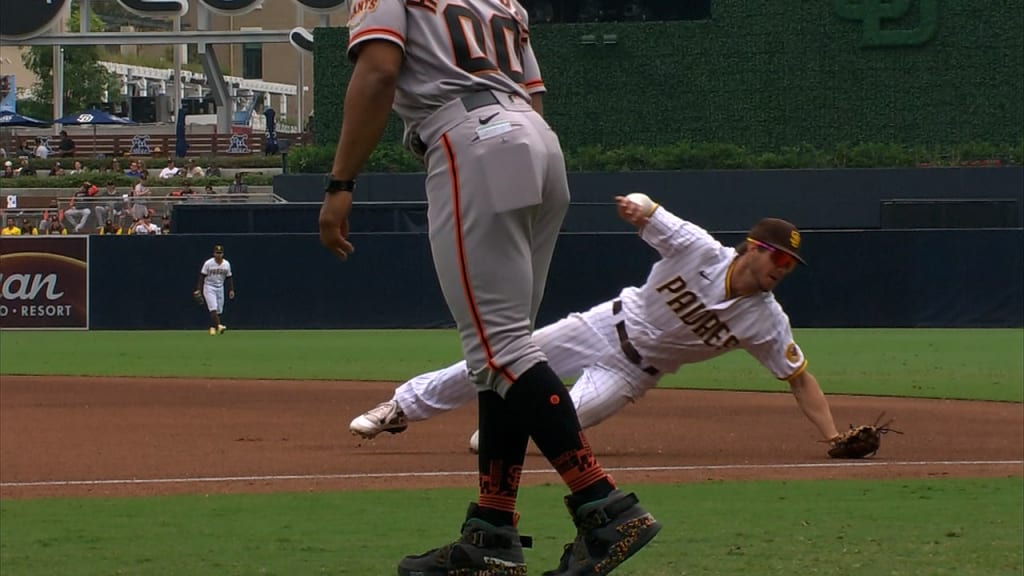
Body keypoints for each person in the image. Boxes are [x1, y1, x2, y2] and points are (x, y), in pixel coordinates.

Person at [317, 2, 660, 575]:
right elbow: (533, 93)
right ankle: (490, 531)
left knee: (500, 352)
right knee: (500, 355)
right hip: (539, 143)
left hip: (468, 139)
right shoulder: (503, 0)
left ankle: (604, 508)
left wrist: (340, 183)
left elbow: (377, 71)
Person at [351, 196, 846, 460]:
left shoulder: (765, 320)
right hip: (601, 326)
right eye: (778, 255)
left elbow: (798, 377)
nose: (784, 267)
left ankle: (507, 433)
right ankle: (401, 406)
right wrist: (638, 205)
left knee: (554, 425)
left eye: (791, 263)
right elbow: (654, 214)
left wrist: (832, 436)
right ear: (753, 247)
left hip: (634, 374)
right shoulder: (700, 250)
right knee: (497, 360)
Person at [194, 245, 234, 336]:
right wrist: (198, 289)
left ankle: (212, 327)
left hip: (220, 287)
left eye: (220, 253)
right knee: (213, 308)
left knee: (219, 310)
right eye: (217, 253)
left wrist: (231, 289)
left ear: (223, 254)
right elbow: (202, 276)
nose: (218, 255)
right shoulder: (208, 263)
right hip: (209, 287)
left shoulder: (226, 264)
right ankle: (219, 326)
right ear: (214, 253)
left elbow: (229, 277)